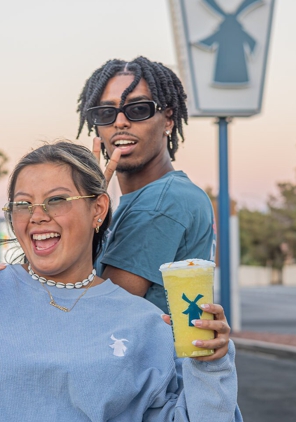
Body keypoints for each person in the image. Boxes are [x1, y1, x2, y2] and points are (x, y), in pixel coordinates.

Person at [0, 141, 241, 421]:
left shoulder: (146, 327)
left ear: (98, 209)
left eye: (57, 200)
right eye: (23, 204)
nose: (37, 216)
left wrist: (211, 364)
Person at [77, 57, 222, 356]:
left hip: (151, 390)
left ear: (168, 119)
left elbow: (98, 312)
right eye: (106, 112)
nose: (120, 122)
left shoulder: (160, 203)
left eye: (138, 109)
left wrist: (77, 215)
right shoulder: (154, 197)